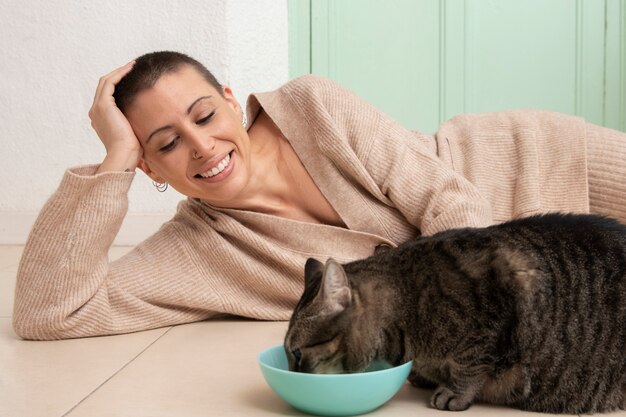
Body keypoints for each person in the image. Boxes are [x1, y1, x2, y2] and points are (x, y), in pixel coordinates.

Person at [13, 51, 626, 340]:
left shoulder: (311, 104)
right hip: (549, 270)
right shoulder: (199, 253)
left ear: (230, 98)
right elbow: (50, 313)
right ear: (149, 165)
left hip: (534, 163)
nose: (201, 147)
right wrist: (113, 158)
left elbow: (445, 197)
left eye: (204, 115)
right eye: (166, 143)